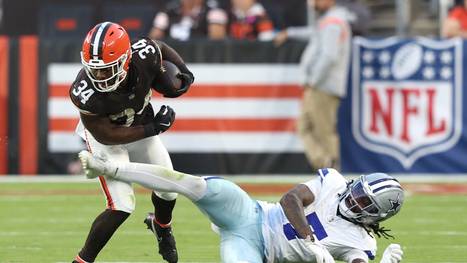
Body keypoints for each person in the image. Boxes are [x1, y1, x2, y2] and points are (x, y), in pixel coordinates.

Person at [78, 150, 405, 263]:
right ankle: (107, 167)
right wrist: (309, 239)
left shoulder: (362, 243)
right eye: (358, 190)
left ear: (375, 214)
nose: (353, 198)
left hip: (255, 248)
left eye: (363, 201)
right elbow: (291, 199)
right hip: (252, 213)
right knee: (192, 183)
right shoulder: (333, 182)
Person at [69, 21, 194, 263]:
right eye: (95, 69)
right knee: (121, 205)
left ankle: (162, 226)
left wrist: (183, 71)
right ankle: (82, 261)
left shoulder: (143, 55)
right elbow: (106, 134)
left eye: (107, 68)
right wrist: (153, 127)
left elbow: (160, 48)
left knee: (169, 188)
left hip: (139, 127)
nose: (100, 75)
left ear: (126, 59)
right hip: (108, 141)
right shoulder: (84, 90)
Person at [274, 0, 351, 170]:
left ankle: (332, 174)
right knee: (305, 127)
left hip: (323, 86)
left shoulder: (333, 22)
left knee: (323, 132)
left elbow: (329, 56)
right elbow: (314, 33)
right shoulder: (330, 20)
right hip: (320, 85)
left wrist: (313, 81)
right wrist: (290, 33)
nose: (312, 3)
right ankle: (326, 164)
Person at [149, 0, 227, 41]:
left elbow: (217, 39)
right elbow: (154, 38)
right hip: (173, 57)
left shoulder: (213, 10)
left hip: (201, 57)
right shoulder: (169, 11)